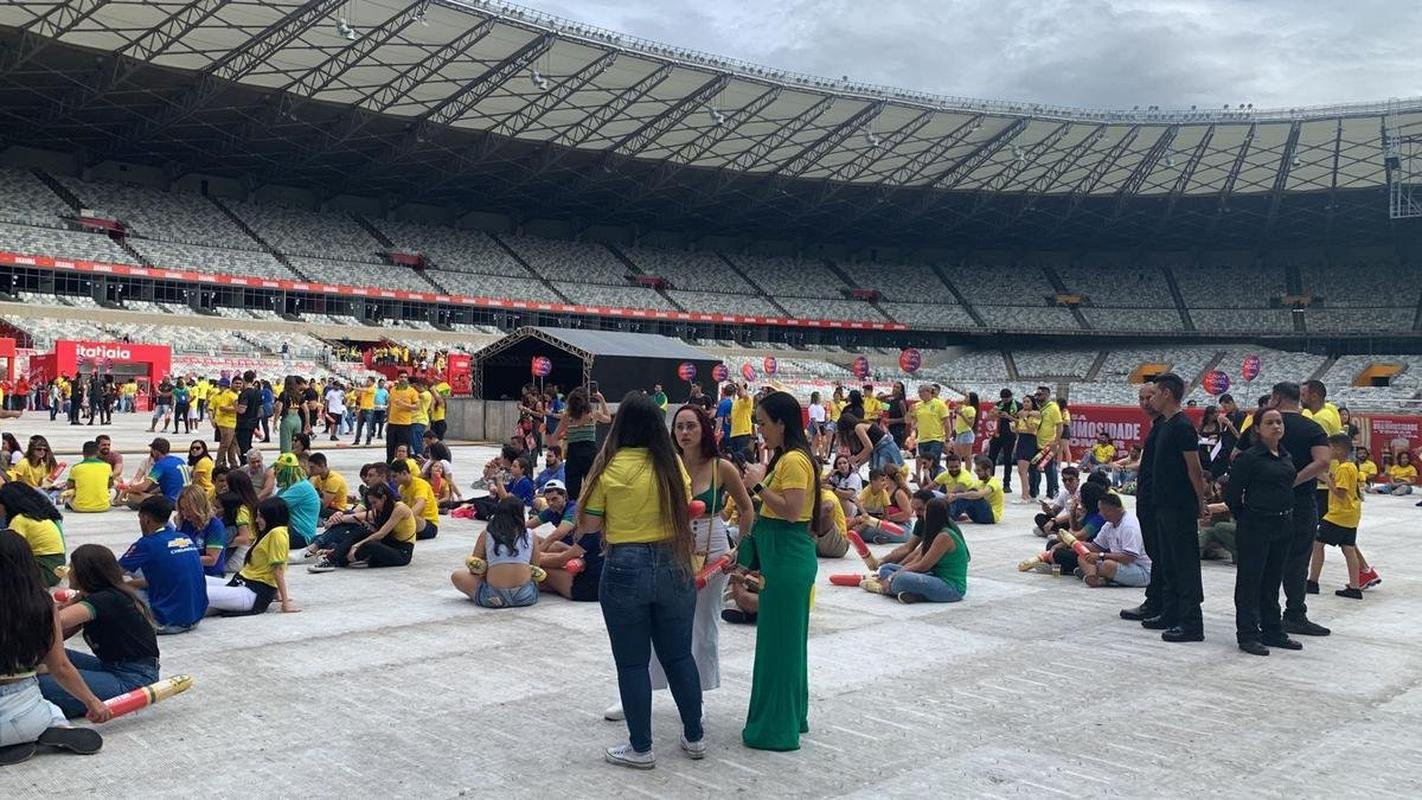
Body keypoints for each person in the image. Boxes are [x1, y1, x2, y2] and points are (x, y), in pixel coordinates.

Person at [573, 392, 702, 768]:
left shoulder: (608, 467)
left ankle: (641, 747)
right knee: (679, 656)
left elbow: (590, 525)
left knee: (632, 664)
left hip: (624, 566)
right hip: (674, 561)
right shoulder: (672, 466)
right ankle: (694, 735)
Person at [611, 405, 754, 720]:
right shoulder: (664, 465)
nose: (685, 433)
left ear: (704, 428)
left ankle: (695, 697)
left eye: (691, 426)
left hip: (712, 543)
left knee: (703, 623)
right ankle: (639, 694)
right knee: (655, 622)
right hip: (671, 544)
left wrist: (738, 551)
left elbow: (746, 509)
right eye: (679, 427)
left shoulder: (722, 467)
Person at [732, 390, 819, 752]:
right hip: (782, 559)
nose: (760, 431)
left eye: (764, 424)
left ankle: (775, 728)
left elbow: (790, 509)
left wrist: (757, 483)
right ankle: (790, 715)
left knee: (779, 648)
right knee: (785, 645)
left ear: (782, 424)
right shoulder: (788, 459)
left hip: (786, 561)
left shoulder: (794, 462)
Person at [0, 530, 110, 763]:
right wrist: (92, 702)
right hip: (29, 717)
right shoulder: (43, 604)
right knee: (47, 707)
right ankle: (55, 725)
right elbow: (60, 666)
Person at [1246, 382, 1332, 638]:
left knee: (1264, 559)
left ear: (1276, 397)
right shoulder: (1312, 427)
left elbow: (1238, 456)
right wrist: (1294, 479)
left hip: (1263, 504)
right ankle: (1294, 613)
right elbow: (1323, 461)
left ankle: (1261, 612)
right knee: (1297, 560)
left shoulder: (1260, 423)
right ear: (1298, 399)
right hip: (1302, 501)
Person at [40, 544, 161, 717]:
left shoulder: (106, 600)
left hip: (134, 678)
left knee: (40, 684)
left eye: (72, 568)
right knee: (50, 656)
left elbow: (53, 623)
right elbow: (58, 637)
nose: (69, 573)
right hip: (113, 666)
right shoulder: (103, 596)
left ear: (84, 573)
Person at [1223, 408, 1304, 656]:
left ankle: (1272, 630)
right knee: (1250, 582)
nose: (1276, 426)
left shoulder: (1285, 455)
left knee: (1272, 581)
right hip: (1255, 526)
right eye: (1269, 422)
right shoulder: (1249, 458)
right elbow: (1232, 495)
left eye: (1279, 422)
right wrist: (1245, 516)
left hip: (1282, 525)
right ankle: (1247, 633)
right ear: (1257, 429)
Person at [1145, 373, 1207, 644]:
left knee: (1185, 564)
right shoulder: (1165, 425)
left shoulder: (1182, 425)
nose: (1151, 399)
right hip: (1163, 504)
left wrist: (1201, 501)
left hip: (1179, 506)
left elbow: (1194, 468)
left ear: (1167, 394)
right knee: (1168, 562)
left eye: (1155, 393)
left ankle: (1192, 621)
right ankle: (1170, 613)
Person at [118, 495, 207, 634]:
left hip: (165, 622)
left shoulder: (146, 544)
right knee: (142, 571)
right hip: (195, 617)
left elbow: (110, 573)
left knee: (113, 593)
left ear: (146, 519)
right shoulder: (184, 538)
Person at [205, 496, 297, 615]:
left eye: (261, 516)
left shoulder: (277, 533)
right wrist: (277, 595)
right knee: (197, 579)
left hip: (252, 593)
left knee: (196, 590)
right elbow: (268, 569)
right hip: (244, 583)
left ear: (271, 516)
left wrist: (285, 604)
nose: (257, 520)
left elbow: (278, 570)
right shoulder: (268, 532)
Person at [1121, 382, 1165, 623]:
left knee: (1160, 554)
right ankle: (1156, 599)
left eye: (1150, 397)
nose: (1146, 402)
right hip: (1147, 500)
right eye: (1141, 398)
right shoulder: (1156, 427)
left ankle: (1157, 601)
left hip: (1159, 503)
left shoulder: (1169, 426)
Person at [870, 496, 969, 603]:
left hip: (951, 587)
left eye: (925, 510)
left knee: (901, 579)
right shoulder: (934, 532)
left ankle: (892, 588)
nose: (920, 514)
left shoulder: (944, 536)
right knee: (886, 568)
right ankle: (912, 594)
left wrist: (893, 577)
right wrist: (898, 570)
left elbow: (923, 566)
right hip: (933, 576)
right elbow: (918, 558)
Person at [452, 495, 539, 605]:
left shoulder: (487, 534)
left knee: (457, 575)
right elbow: (535, 567)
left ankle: (494, 599)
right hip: (525, 596)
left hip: (494, 592)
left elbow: (474, 568)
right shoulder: (531, 535)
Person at [1309, 433, 1365, 599]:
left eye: (1330, 448)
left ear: (1339, 450)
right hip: (1351, 514)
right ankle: (1354, 586)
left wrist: (1326, 479)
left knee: (1318, 544)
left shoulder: (1343, 468)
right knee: (1348, 548)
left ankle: (1312, 582)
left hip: (1338, 514)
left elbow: (1340, 492)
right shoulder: (1351, 466)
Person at [312, 483, 418, 571]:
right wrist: (337, 518)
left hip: (402, 551)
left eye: (374, 502)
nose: (373, 506)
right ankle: (333, 557)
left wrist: (356, 545)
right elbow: (354, 517)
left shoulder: (400, 508)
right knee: (360, 530)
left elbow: (381, 534)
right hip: (389, 543)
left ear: (384, 498)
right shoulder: (380, 509)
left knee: (369, 545)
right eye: (371, 504)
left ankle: (337, 557)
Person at [530, 480, 602, 601]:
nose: (551, 503)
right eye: (548, 500)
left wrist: (532, 559)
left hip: (586, 588)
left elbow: (559, 552)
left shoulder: (576, 513)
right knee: (544, 544)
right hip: (585, 564)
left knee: (542, 571)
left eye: (554, 499)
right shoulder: (600, 530)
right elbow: (528, 526)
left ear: (564, 496)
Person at [0, 483, 68, 588]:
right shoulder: (39, 515)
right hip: (57, 567)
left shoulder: (20, 519)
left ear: (7, 503)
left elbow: (9, 550)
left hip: (44, 570)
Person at [1077, 494, 1151, 588]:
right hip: (1122, 565)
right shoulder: (1108, 525)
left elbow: (1129, 557)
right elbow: (1096, 547)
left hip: (1141, 570)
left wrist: (1101, 556)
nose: (1101, 513)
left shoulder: (1129, 526)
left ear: (1117, 509)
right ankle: (1093, 576)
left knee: (1107, 565)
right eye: (1100, 510)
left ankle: (1097, 575)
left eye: (1105, 510)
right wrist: (1077, 544)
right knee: (1083, 556)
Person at [554, 387, 610, 505]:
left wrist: (567, 435)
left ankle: (573, 516)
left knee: (572, 491)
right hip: (590, 453)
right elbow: (608, 419)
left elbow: (556, 436)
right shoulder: (593, 415)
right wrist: (601, 399)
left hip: (573, 455)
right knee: (593, 487)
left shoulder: (567, 417)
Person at [121, 438, 188, 508]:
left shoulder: (161, 464)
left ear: (156, 452)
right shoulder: (179, 460)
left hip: (173, 501)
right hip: (185, 499)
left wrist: (126, 491)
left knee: (133, 496)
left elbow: (144, 487)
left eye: (152, 450)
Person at [271, 453, 319, 551]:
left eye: (278, 470)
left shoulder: (300, 487)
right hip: (294, 531)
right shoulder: (287, 488)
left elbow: (273, 507)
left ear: (287, 471)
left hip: (301, 536)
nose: (275, 473)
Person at [944, 455, 1004, 524]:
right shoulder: (979, 482)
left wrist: (958, 495)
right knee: (964, 492)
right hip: (977, 516)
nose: (976, 472)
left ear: (987, 471)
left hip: (990, 517)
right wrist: (951, 495)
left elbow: (978, 495)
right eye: (976, 470)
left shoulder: (994, 482)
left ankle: (950, 517)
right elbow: (965, 492)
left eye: (979, 470)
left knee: (971, 493)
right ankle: (947, 514)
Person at [391, 459, 439, 540]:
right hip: (413, 522)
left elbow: (420, 504)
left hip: (428, 525)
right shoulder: (401, 488)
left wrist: (404, 519)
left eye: (395, 476)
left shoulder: (420, 484)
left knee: (400, 519)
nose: (393, 480)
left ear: (404, 473)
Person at [910, 384, 949, 483]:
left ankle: (934, 484)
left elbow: (947, 423)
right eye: (919, 393)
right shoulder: (917, 406)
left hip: (936, 439)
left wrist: (947, 439)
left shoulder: (940, 404)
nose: (920, 394)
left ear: (928, 392)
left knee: (933, 463)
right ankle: (927, 483)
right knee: (925, 464)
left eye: (921, 392)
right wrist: (909, 412)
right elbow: (908, 421)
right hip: (922, 439)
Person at [64, 441, 113, 513]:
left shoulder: (76, 467)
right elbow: (110, 485)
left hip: (80, 507)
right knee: (113, 491)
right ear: (98, 452)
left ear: (83, 453)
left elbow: (70, 486)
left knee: (68, 493)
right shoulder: (107, 466)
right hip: (103, 507)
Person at [384, 374, 420, 465]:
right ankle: (389, 465)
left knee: (404, 447)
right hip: (392, 423)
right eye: (401, 377)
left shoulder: (412, 391)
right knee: (390, 447)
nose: (403, 379)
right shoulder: (392, 390)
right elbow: (390, 406)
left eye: (405, 377)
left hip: (405, 424)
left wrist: (404, 405)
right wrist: (388, 421)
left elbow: (417, 406)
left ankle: (405, 466)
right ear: (397, 379)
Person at [1011, 395, 1041, 502]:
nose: (1025, 403)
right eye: (1024, 401)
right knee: (1021, 470)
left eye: (1028, 401)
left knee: (1023, 470)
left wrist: (1025, 417)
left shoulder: (1036, 415)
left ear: (1032, 403)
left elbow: (1032, 429)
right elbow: (1019, 429)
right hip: (1021, 439)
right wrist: (1015, 426)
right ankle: (1025, 493)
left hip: (1029, 440)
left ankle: (1025, 496)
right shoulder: (1022, 413)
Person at [307, 453, 350, 521]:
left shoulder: (333, 479)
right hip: (328, 507)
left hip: (338, 510)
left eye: (312, 467)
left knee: (311, 510)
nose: (310, 470)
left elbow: (324, 504)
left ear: (322, 465)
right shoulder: (318, 478)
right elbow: (314, 496)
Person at [210, 377, 239, 469]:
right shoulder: (222, 395)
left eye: (222, 386)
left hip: (232, 422)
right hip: (225, 422)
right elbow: (215, 408)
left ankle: (233, 464)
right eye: (220, 386)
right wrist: (212, 420)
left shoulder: (233, 394)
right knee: (225, 444)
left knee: (231, 444)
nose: (220, 388)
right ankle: (219, 464)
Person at [275, 376, 305, 454]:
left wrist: (275, 421)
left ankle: (286, 462)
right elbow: (306, 410)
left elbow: (279, 408)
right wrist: (307, 422)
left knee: (286, 445)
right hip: (297, 419)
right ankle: (295, 461)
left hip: (287, 419)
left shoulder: (284, 394)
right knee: (296, 444)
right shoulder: (299, 394)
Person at [726, 381, 755, 460]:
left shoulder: (748, 400)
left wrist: (741, 385)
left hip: (743, 432)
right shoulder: (735, 402)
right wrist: (730, 420)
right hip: (733, 433)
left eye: (739, 389)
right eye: (736, 389)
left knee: (742, 456)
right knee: (735, 457)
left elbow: (744, 395)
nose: (737, 391)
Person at [952, 392, 978, 461]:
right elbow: (957, 403)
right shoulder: (963, 407)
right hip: (959, 433)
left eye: (967, 397)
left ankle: (967, 471)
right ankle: (959, 470)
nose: (965, 398)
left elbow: (970, 424)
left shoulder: (971, 409)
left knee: (967, 456)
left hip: (966, 433)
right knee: (957, 456)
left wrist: (962, 414)